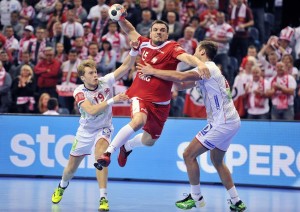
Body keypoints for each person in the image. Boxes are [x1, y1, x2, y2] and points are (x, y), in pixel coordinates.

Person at [137, 40, 246, 211]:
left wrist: (153, 70)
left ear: (202, 51)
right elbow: (180, 85)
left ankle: (196, 197)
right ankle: (236, 201)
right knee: (217, 161)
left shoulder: (207, 67)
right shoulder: (208, 71)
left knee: (188, 155)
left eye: (196, 50)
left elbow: (180, 77)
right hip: (232, 121)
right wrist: (157, 78)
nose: (194, 54)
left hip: (221, 122)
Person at [97, 15, 210, 169]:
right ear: (150, 33)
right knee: (139, 121)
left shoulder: (172, 48)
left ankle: (127, 147)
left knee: (149, 141)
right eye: (155, 30)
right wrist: (120, 18)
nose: (158, 32)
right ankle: (108, 153)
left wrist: (200, 64)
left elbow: (188, 58)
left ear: (167, 35)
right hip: (140, 95)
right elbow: (129, 29)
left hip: (161, 103)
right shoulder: (142, 43)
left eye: (162, 30)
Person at [51, 56, 136, 211]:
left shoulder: (105, 81)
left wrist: (134, 50)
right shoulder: (79, 92)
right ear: (83, 77)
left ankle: (103, 198)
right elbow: (91, 110)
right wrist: (113, 100)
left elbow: (125, 66)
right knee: (70, 169)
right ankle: (62, 186)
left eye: (96, 72)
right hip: (86, 130)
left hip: (104, 127)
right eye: (91, 73)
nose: (95, 75)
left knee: (101, 157)